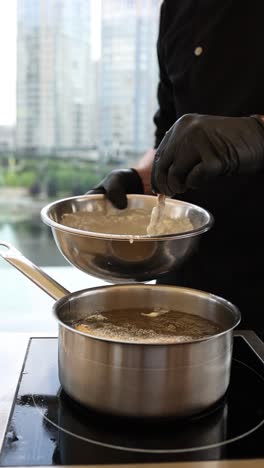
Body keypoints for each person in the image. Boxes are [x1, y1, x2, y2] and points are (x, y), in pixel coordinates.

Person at [88, 0, 264, 338]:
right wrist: (139, 179)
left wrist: (259, 134)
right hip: (186, 276)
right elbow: (167, 130)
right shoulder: (177, 8)